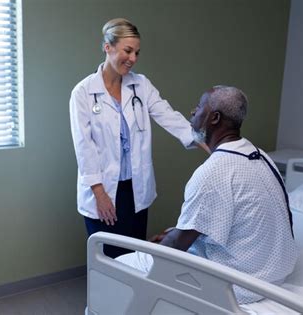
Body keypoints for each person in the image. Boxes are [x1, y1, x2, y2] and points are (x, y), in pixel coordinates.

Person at [116, 85, 297, 304]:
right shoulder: (260, 155)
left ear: (214, 118)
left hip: (244, 283)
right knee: (173, 234)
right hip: (275, 271)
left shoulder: (213, 172)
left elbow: (176, 247)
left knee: (120, 266)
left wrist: (150, 247)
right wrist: (176, 232)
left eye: (200, 106)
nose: (193, 112)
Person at [69, 18, 209, 258]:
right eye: (127, 50)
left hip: (135, 189)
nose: (133, 58)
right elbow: (84, 147)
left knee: (133, 256)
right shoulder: (83, 92)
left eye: (137, 52)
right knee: (108, 259)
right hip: (102, 189)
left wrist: (203, 141)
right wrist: (100, 194)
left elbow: (167, 114)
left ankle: (128, 297)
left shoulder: (140, 85)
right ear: (108, 47)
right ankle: (107, 297)